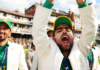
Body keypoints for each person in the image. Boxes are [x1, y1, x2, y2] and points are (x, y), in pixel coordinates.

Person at [31, 0, 100, 70]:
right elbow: (38, 28)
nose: (64, 31)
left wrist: (82, 2)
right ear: (53, 38)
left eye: (67, 29)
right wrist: (49, 1)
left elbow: (90, 29)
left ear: (73, 37)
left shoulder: (81, 48)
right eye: (59, 30)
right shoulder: (46, 49)